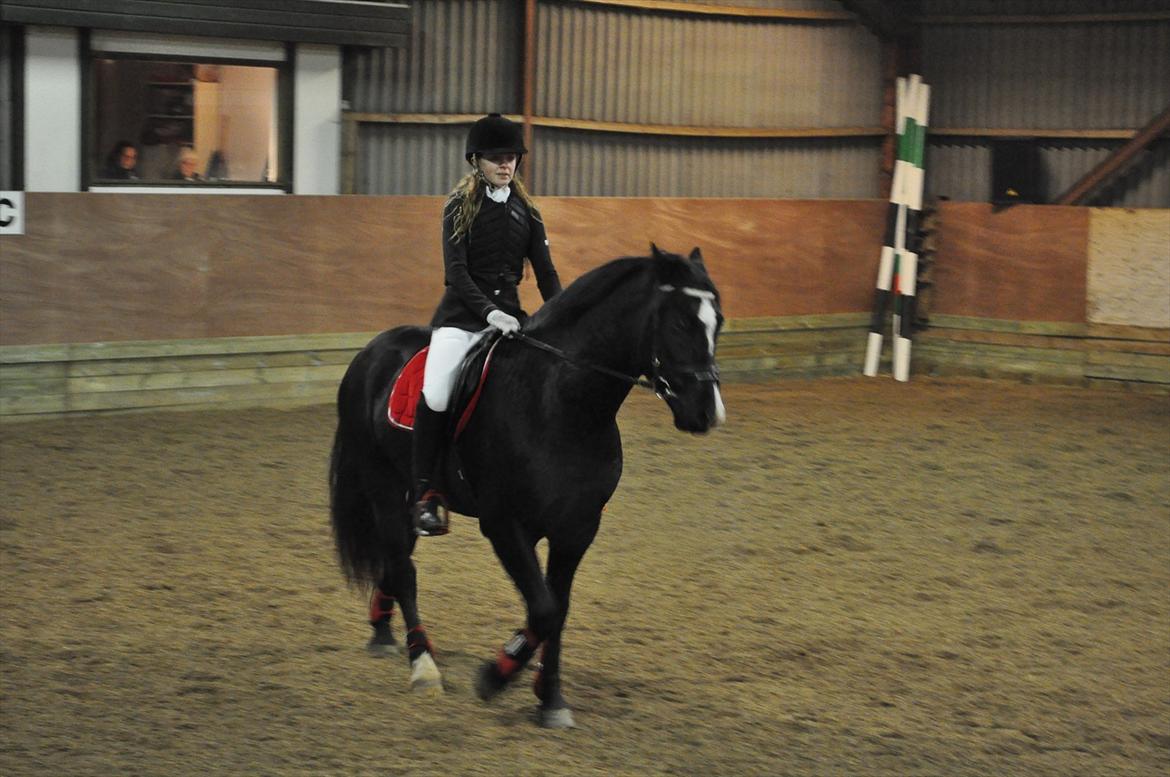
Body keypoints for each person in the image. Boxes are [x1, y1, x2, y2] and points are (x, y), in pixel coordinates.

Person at [411, 113, 563, 537]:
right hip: (461, 319)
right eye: (496, 157)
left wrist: (561, 317)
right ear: (476, 160)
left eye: (511, 157)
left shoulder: (527, 211)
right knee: (437, 391)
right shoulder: (459, 206)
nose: (505, 164)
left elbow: (547, 273)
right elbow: (456, 273)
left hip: (512, 322)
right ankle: (425, 494)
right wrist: (489, 313)